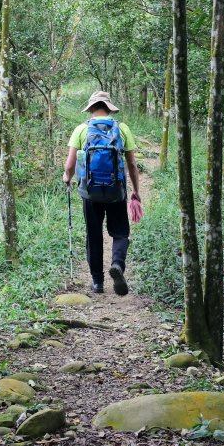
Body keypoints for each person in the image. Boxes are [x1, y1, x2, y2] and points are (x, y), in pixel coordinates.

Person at [62, 91, 141, 295]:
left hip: (90, 192)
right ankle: (117, 265)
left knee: (93, 235)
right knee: (120, 233)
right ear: (109, 108)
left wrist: (67, 178)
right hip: (116, 191)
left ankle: (97, 283)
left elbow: (69, 165)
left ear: (90, 109)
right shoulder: (122, 128)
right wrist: (135, 192)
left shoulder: (81, 130)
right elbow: (132, 164)